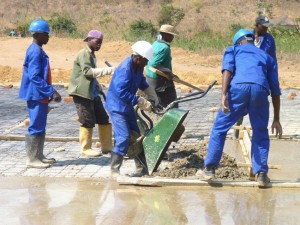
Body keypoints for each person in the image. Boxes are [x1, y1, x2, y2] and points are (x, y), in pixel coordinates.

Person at [196, 29, 282, 187]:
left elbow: (227, 71)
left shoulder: (232, 49)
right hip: (260, 90)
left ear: (237, 41)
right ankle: (262, 174)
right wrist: (276, 118)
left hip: (238, 89)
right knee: (260, 131)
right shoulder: (266, 56)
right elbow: (275, 90)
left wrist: (223, 95)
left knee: (219, 128)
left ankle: (209, 169)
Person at [105, 40, 159, 178]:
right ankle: (114, 170)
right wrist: (139, 100)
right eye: (146, 60)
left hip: (127, 106)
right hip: (117, 106)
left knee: (137, 134)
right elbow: (121, 92)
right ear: (138, 58)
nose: (147, 63)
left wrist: (150, 92)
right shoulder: (125, 69)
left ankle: (142, 168)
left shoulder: (138, 66)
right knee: (123, 137)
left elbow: (140, 81)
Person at [19, 19, 62, 168]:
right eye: (46, 34)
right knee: (36, 125)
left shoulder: (38, 50)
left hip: (40, 94)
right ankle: (32, 159)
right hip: (35, 94)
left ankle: (38, 155)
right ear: (38, 34)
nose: (48, 37)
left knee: (41, 125)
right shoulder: (35, 51)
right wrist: (52, 91)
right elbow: (35, 76)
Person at [68, 30, 114, 157]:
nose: (99, 45)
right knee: (87, 120)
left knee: (103, 118)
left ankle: (107, 147)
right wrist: (107, 70)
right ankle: (86, 148)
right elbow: (87, 72)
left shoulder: (92, 55)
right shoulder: (84, 54)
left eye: (101, 43)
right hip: (82, 93)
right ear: (88, 40)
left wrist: (98, 86)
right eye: (97, 42)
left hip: (92, 92)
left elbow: (91, 76)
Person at [235, 15, 278, 136]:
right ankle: (237, 133)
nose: (266, 29)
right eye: (264, 27)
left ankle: (258, 133)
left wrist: (273, 78)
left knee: (258, 106)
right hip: (246, 74)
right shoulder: (245, 36)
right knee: (240, 107)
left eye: (267, 27)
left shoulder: (269, 40)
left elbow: (272, 60)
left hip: (261, 77)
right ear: (257, 25)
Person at [145, 24, 178, 108]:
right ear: (166, 35)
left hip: (150, 80)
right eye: (171, 35)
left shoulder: (155, 43)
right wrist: (169, 73)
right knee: (172, 106)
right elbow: (154, 64)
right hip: (161, 83)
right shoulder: (165, 48)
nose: (172, 38)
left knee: (159, 106)